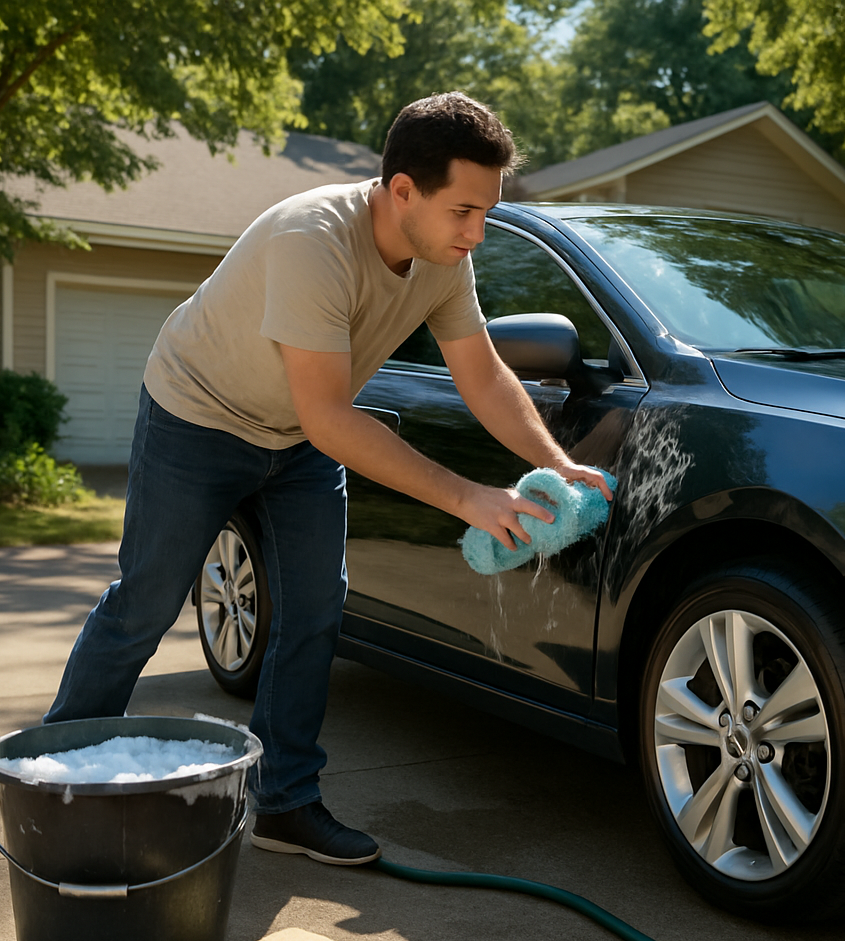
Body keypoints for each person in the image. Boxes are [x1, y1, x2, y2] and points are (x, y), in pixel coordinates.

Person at [44, 92, 612, 866]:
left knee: (315, 606)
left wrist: (554, 460)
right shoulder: (312, 240)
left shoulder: (445, 258)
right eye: (464, 210)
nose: (477, 232)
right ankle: (49, 784)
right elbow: (331, 418)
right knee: (145, 603)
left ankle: (283, 802)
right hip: (197, 417)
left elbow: (482, 377)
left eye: (486, 211)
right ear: (403, 189)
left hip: (297, 438)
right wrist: (469, 499)